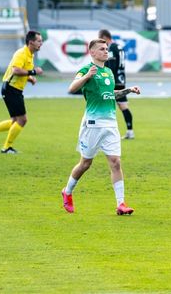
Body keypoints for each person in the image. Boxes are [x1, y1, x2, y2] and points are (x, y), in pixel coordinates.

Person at [61, 38, 140, 215]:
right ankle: (67, 191)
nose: (106, 51)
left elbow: (110, 94)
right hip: (93, 125)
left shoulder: (109, 72)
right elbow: (71, 88)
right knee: (85, 163)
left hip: (111, 124)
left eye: (106, 49)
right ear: (92, 52)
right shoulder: (86, 70)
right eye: (102, 49)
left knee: (116, 162)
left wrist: (128, 90)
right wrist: (87, 76)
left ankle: (121, 204)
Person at [0, 30, 44, 154]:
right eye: (39, 41)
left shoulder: (30, 54)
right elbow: (15, 70)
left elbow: (22, 71)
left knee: (15, 121)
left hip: (14, 89)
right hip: (11, 89)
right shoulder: (22, 53)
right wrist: (33, 72)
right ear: (31, 42)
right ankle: (6, 147)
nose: (41, 43)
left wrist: (29, 78)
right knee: (22, 120)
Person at [98, 29, 135, 140]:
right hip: (121, 80)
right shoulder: (119, 47)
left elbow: (111, 65)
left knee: (104, 105)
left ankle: (104, 133)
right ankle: (130, 131)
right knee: (123, 106)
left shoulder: (111, 48)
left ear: (105, 37)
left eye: (101, 39)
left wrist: (107, 79)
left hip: (113, 81)